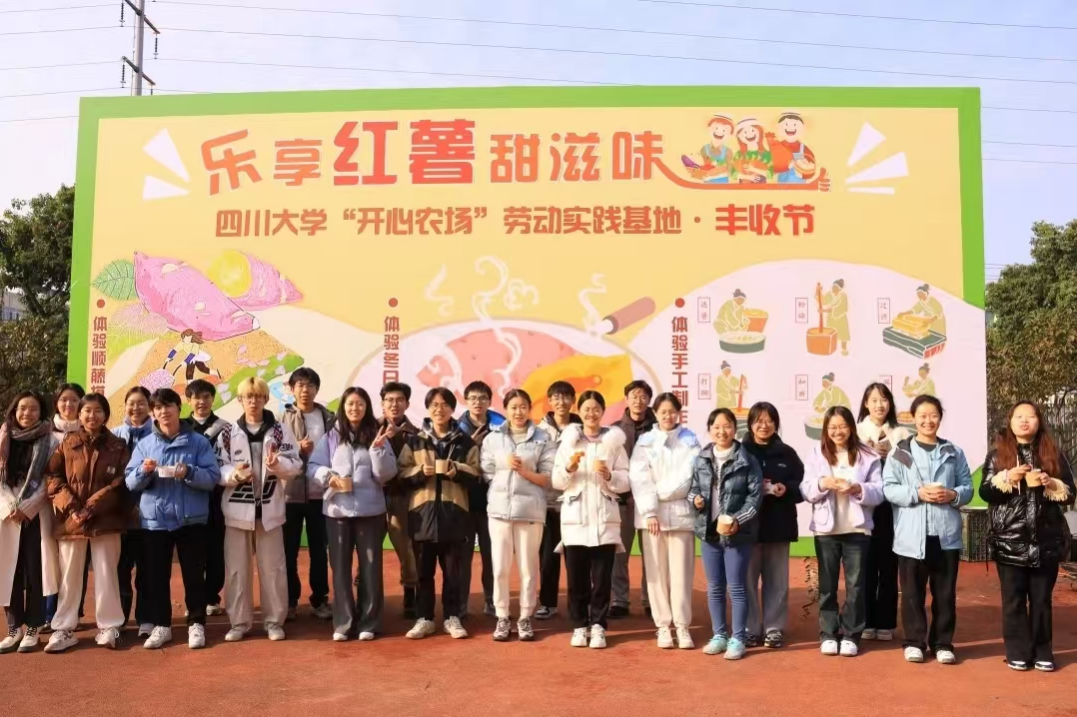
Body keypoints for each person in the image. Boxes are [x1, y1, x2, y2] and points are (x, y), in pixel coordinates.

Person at [979, 401, 1074, 672]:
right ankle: (1018, 651)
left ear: (1038, 421)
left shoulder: (1054, 454)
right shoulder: (997, 456)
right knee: (1014, 600)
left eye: (1030, 416)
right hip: (1010, 540)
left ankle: (1043, 651)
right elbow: (985, 492)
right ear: (1010, 422)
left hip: (1046, 541)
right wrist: (1008, 477)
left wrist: (1050, 483)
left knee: (1042, 600)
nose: (1024, 421)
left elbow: (1070, 494)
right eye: (1018, 417)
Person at [125, 388, 220, 650]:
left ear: (179, 408)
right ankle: (162, 626)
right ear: (153, 413)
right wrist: (143, 471)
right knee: (156, 576)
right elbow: (130, 481)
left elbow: (212, 478)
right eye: (158, 408)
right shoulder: (145, 444)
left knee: (193, 575)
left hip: (191, 520)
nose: (163, 411)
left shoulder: (198, 442)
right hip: (155, 521)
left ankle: (196, 623)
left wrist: (189, 471)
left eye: (168, 406)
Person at [883, 395, 973, 665]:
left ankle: (942, 643)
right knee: (912, 594)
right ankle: (914, 642)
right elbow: (889, 488)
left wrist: (952, 494)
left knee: (945, 594)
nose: (928, 421)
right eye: (922, 416)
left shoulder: (953, 452)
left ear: (940, 418)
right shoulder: (900, 453)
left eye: (933, 415)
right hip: (911, 536)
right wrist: (917, 493)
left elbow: (967, 487)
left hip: (946, 536)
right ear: (913, 418)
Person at [215, 377, 303, 643]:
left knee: (273, 569)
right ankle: (239, 622)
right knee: (236, 570)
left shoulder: (280, 431)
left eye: (258, 396)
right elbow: (218, 468)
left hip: (270, 512)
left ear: (266, 398)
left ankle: (274, 621)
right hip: (237, 512)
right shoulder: (228, 433)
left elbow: (295, 464)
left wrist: (277, 465)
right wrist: (234, 475)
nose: (253, 401)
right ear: (240, 400)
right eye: (248, 397)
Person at [307, 387, 397, 642]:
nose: (355, 408)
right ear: (343, 408)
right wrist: (328, 477)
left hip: (371, 512)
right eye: (350, 404)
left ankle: (369, 621)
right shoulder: (331, 437)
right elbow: (312, 466)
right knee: (340, 569)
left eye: (360, 404)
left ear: (366, 407)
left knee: (370, 568)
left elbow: (387, 474)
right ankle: (343, 622)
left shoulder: (377, 434)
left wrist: (378, 451)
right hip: (337, 512)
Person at [43, 393, 130, 652]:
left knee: (106, 573)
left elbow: (121, 482)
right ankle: (63, 628)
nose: (92, 416)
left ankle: (109, 626)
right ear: (79, 415)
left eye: (98, 411)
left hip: (106, 519)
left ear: (106, 415)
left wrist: (92, 506)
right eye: (87, 411)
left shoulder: (118, 446)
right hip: (72, 521)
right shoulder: (66, 443)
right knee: (69, 576)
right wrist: (72, 507)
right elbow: (53, 477)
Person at [396, 388, 481, 640]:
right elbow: (401, 473)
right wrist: (420, 472)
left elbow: (477, 474)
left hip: (454, 514)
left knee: (453, 573)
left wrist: (457, 470)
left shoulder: (465, 442)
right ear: (428, 408)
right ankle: (424, 618)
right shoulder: (415, 440)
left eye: (444, 404)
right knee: (424, 573)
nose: (439, 409)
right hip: (422, 516)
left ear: (452, 409)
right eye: (434, 404)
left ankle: (452, 617)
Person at [801, 406, 884, 657]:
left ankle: (851, 634)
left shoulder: (868, 455)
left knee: (856, 586)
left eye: (843, 426)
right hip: (826, 530)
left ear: (851, 427)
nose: (838, 431)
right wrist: (822, 483)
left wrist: (859, 489)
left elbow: (879, 491)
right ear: (826, 429)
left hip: (857, 529)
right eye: (833, 427)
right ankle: (828, 633)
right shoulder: (816, 453)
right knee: (827, 586)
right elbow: (806, 489)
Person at [552, 390, 630, 650]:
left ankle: (598, 625)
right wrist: (569, 469)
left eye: (596, 408)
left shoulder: (614, 442)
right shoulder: (569, 442)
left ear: (603, 411)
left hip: (604, 520)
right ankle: (579, 625)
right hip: (575, 520)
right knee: (577, 580)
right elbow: (556, 480)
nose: (591, 413)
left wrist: (609, 475)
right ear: (579, 411)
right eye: (586, 408)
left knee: (602, 579)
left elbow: (625, 480)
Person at [480, 389, 555, 642]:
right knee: (500, 567)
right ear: (506, 409)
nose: (518, 412)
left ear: (529, 409)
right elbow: (487, 470)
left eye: (523, 406)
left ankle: (525, 616)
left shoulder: (543, 438)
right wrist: (504, 472)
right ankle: (502, 616)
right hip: (499, 511)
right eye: (513, 407)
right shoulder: (493, 438)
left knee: (528, 568)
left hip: (530, 511)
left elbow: (548, 477)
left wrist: (523, 471)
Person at [688, 408, 762, 660]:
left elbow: (754, 498)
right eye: (717, 427)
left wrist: (737, 521)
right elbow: (693, 489)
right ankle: (719, 635)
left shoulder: (747, 459)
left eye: (727, 426)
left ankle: (738, 638)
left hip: (736, 534)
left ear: (735, 428)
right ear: (710, 430)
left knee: (737, 587)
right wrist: (695, 499)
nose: (722, 431)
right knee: (715, 588)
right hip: (709, 533)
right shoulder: (702, 458)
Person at [629, 392, 700, 650]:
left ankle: (682, 626)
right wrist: (650, 510)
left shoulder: (690, 440)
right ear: (655, 413)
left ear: (678, 413)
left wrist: (662, 492)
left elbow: (690, 475)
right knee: (656, 574)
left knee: (681, 574)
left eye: (672, 411)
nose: (668, 416)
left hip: (682, 516)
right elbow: (639, 478)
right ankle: (662, 626)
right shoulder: (645, 442)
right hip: (652, 518)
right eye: (663, 412)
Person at [742, 402, 804, 649]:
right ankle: (749, 628)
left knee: (777, 581)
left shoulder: (787, 453)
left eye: (769, 421)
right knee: (746, 581)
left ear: (776, 424)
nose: (764, 425)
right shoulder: (740, 452)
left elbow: (803, 486)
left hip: (779, 525)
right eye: (758, 420)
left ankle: (774, 628)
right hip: (747, 528)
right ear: (750, 424)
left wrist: (785, 488)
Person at [856, 383, 911, 642]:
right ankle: (866, 620)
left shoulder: (901, 433)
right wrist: (867, 453)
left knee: (889, 565)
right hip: (864, 506)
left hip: (893, 507)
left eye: (884, 399)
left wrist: (894, 453)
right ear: (866, 404)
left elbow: (912, 466)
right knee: (865, 565)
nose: (880, 405)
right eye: (874, 400)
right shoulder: (856, 431)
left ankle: (886, 622)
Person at [0, 391, 53, 654]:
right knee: (8, 571)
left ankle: (33, 626)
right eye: (22, 408)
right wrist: (10, 506)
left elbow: (49, 480)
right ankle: (14, 628)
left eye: (33, 409)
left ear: (41, 413)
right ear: (14, 410)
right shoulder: (3, 437)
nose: (27, 413)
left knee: (35, 570)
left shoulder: (50, 440)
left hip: (35, 513)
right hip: (6, 514)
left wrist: (26, 507)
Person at [281, 367, 335, 621]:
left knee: (319, 551)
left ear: (317, 389)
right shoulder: (281, 418)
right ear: (292, 389)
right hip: (289, 495)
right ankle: (290, 600)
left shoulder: (328, 418)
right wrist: (297, 448)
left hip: (320, 496)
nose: (305, 390)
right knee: (288, 551)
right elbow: (274, 452)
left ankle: (320, 599)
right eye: (300, 385)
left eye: (310, 385)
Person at [182, 379, 230, 616]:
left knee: (215, 549)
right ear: (188, 400)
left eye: (206, 397)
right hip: (189, 495)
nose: (201, 402)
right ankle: (194, 600)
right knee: (191, 552)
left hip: (216, 496)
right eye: (196, 397)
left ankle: (212, 597)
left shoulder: (225, 428)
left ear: (213, 399)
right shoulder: (181, 427)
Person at [457, 380, 504, 619]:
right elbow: (451, 460)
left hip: (492, 501)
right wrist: (470, 446)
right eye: (473, 398)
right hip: (464, 501)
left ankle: (492, 601)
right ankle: (461, 603)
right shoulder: (456, 428)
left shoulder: (501, 426)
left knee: (492, 554)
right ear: (465, 401)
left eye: (483, 398)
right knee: (462, 556)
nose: (478, 402)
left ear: (489, 401)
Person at [535, 380, 582, 620]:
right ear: (549, 401)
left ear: (573, 400)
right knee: (547, 558)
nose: (561, 401)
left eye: (565, 397)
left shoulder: (582, 429)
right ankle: (548, 603)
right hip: (547, 504)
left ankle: (578, 605)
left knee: (577, 558)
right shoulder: (538, 431)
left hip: (575, 502)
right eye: (556, 397)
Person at [610, 380, 654, 619]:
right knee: (620, 553)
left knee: (652, 553)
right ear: (626, 399)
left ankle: (651, 599)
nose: (638, 400)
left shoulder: (659, 429)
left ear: (649, 400)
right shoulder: (614, 431)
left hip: (651, 503)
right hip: (622, 501)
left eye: (643, 396)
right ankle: (619, 599)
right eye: (634, 396)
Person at [112, 385, 153, 638]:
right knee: (120, 570)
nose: (136, 408)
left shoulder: (157, 435)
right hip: (119, 515)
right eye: (131, 403)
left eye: (141, 403)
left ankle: (145, 618)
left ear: (150, 407)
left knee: (146, 570)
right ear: (125, 405)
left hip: (148, 514)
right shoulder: (115, 435)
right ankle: (119, 618)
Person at [42, 382, 83, 632]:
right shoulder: (45, 433)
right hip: (46, 504)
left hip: (77, 506)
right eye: (64, 400)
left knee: (73, 561)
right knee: (48, 558)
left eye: (74, 400)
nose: (69, 404)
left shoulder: (88, 432)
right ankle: (49, 613)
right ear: (56, 403)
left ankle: (73, 612)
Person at [379, 381, 420, 618]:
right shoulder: (369, 429)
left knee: (406, 551)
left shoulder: (415, 434)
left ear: (407, 404)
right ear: (382, 404)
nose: (394, 404)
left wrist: (396, 439)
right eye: (389, 400)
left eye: (399, 400)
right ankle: (366, 593)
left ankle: (410, 594)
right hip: (373, 499)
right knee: (368, 549)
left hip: (401, 499)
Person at [822, 279, 851, 356]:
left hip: (841, 318)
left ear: (839, 288)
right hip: (831, 318)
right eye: (833, 286)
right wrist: (817, 293)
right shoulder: (828, 294)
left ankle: (844, 349)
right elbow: (823, 301)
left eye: (835, 287)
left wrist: (832, 310)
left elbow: (845, 308)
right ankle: (830, 349)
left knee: (843, 335)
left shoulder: (843, 296)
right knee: (830, 333)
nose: (833, 288)